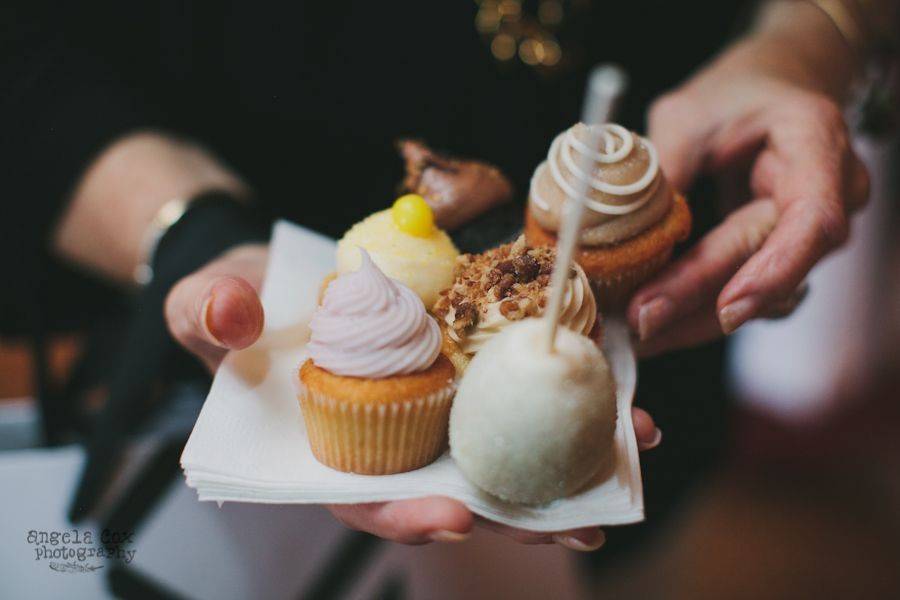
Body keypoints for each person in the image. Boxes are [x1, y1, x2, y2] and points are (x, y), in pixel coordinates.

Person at [4, 0, 886, 552]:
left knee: (621, 544)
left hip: (638, 332)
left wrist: (810, 37)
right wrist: (191, 234)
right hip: (229, 350)